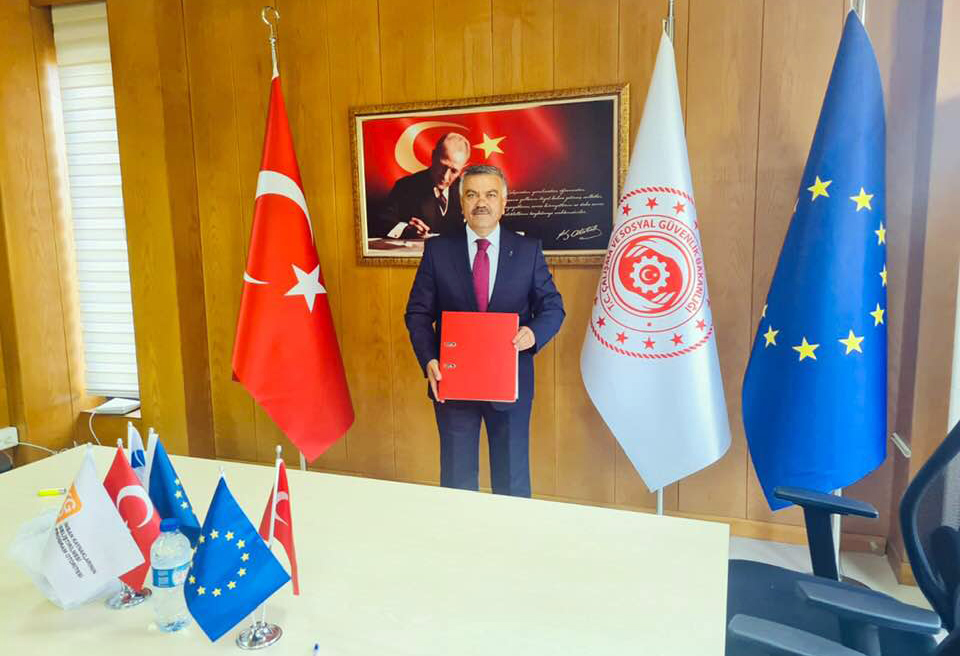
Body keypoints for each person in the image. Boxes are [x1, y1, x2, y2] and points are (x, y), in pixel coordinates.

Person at [404, 165, 565, 497]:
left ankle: (510, 532)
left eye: (490, 195)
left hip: (509, 383)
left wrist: (533, 334)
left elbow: (553, 307)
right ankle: (461, 532)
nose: (481, 203)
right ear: (461, 203)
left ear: (503, 202)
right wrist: (429, 359)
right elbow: (418, 313)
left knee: (512, 480)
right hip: (453, 382)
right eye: (472, 195)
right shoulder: (437, 251)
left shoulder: (527, 250)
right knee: (457, 480)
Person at [376, 132, 471, 239]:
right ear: (433, 156)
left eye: (454, 171)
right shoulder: (405, 187)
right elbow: (382, 223)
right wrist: (406, 229)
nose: (445, 176)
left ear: (462, 168)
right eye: (442, 166)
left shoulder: (467, 191)